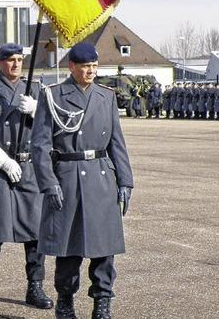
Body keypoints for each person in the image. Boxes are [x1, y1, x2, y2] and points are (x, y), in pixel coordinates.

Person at [31, 43, 134, 319]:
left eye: (94, 66)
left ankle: (102, 301)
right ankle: (65, 299)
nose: (91, 71)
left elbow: (117, 143)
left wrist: (125, 181)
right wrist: (48, 183)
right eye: (85, 66)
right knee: (69, 249)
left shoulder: (106, 96)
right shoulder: (53, 96)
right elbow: (39, 146)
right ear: (72, 67)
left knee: (104, 250)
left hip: (101, 178)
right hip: (67, 177)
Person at [0, 43, 53, 309]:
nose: (16, 64)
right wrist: (3, 162)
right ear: (0, 62)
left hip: (29, 168)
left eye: (19, 59)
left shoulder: (37, 90)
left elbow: (52, 130)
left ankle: (35, 286)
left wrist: (38, 111)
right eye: (10, 60)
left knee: (35, 232)